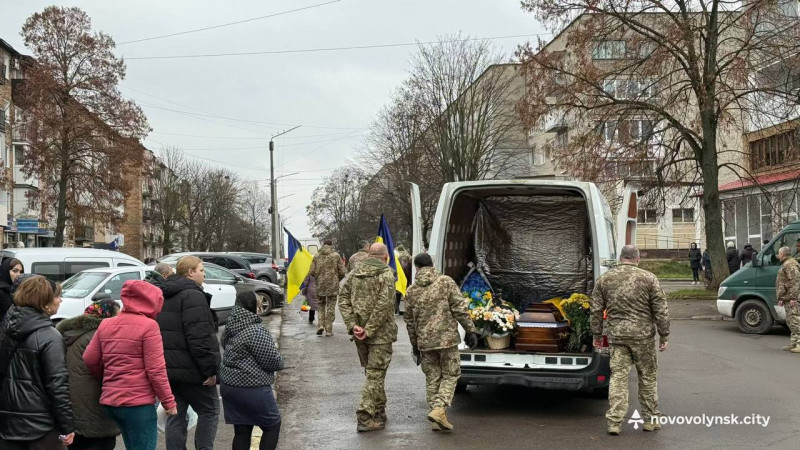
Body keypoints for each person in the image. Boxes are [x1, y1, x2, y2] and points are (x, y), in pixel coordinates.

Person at [83, 281, 177, 450]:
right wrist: (168, 402)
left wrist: (107, 378)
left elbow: (89, 358)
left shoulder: (106, 324)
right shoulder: (149, 326)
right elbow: (156, 370)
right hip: (137, 404)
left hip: (111, 401)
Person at [590, 245, 670, 436]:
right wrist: (664, 335)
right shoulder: (649, 278)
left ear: (620, 258)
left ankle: (614, 422)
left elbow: (595, 309)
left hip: (617, 336)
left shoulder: (605, 279)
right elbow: (661, 309)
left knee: (618, 377)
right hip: (644, 337)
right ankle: (650, 420)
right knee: (648, 377)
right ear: (637, 259)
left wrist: (597, 334)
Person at [404, 253, 479, 431]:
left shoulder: (412, 290)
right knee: (451, 375)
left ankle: (437, 417)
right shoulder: (445, 282)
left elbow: (409, 322)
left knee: (432, 378)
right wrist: (471, 330)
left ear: (416, 268)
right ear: (433, 264)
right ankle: (439, 409)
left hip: (424, 342)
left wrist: (415, 344)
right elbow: (459, 308)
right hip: (446, 340)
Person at [0, 276, 75, 448]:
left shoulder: (6, 329)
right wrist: (67, 426)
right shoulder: (50, 336)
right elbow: (57, 384)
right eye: (57, 296)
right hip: (40, 426)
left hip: (8, 424)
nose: (60, 300)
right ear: (44, 302)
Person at [156, 256, 220, 450]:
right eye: (201, 270)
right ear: (191, 272)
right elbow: (199, 337)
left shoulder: (164, 294)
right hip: (193, 371)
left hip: (170, 369)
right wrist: (210, 370)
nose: (204, 274)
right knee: (210, 410)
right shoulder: (193, 295)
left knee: (176, 414)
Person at [339, 243, 398, 432]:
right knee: (375, 374)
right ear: (386, 257)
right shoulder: (386, 274)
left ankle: (379, 411)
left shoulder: (355, 273)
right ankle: (364, 416)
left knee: (372, 373)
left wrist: (353, 325)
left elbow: (343, 299)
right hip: (380, 334)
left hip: (359, 333)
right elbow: (384, 305)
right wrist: (370, 329)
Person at [220, 292, 284, 450]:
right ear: (253, 307)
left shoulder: (231, 324)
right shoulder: (256, 331)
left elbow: (224, 345)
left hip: (229, 386)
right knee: (272, 425)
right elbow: (273, 361)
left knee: (242, 430)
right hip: (252, 387)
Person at [57, 300, 121, 450]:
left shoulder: (69, 333)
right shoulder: (99, 336)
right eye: (117, 316)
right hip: (95, 406)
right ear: (106, 316)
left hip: (72, 405)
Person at [307, 239, 346, 337]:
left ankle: (320, 325)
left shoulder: (316, 256)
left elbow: (311, 271)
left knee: (321, 305)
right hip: (333, 285)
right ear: (331, 245)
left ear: (323, 245)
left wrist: (318, 277)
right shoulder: (336, 256)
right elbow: (342, 272)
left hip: (320, 285)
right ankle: (329, 330)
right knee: (331, 307)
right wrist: (337, 279)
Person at [775, 247, 800, 353]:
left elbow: (795, 281)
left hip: (792, 298)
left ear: (783, 254)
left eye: (779, 253)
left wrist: (793, 297)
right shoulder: (786, 263)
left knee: (795, 320)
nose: (778, 255)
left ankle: (799, 343)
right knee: (790, 321)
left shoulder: (790, 264)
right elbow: (783, 282)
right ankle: (794, 343)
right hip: (787, 297)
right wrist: (781, 298)